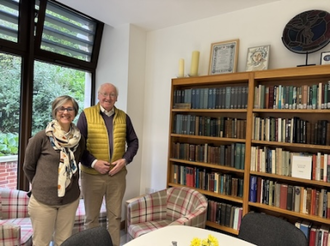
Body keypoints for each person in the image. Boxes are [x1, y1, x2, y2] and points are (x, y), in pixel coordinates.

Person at [77, 83, 139, 246]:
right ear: (98, 96)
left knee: (115, 217)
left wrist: (125, 159)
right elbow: (78, 145)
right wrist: (94, 162)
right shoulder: (86, 115)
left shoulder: (124, 117)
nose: (108, 98)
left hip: (116, 176)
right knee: (91, 219)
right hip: (92, 176)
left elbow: (133, 142)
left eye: (112, 95)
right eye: (104, 94)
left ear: (116, 98)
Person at [23, 95, 85, 246]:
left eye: (69, 108)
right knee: (41, 242)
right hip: (43, 201)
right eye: (61, 108)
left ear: (75, 112)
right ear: (55, 111)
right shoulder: (42, 137)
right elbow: (28, 166)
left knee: (64, 242)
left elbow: (76, 164)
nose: (65, 112)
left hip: (69, 200)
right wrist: (41, 185)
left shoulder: (79, 139)